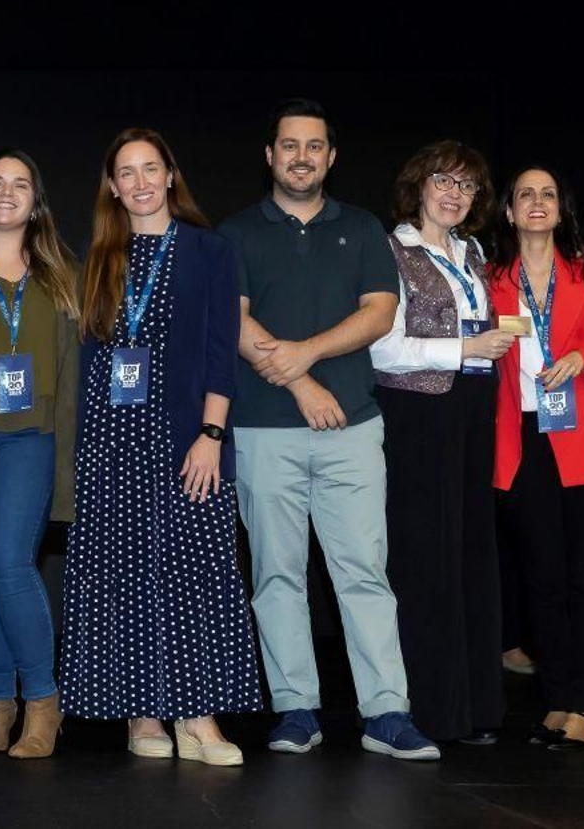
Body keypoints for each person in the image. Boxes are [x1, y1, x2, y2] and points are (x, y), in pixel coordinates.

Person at [217, 98, 438, 760]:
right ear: (270, 155)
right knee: (276, 576)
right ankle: (296, 710)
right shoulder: (236, 232)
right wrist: (301, 383)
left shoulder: (363, 227)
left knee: (364, 573)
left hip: (352, 430)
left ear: (331, 157)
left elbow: (379, 313)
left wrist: (306, 354)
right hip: (263, 430)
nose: (301, 157)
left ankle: (386, 712)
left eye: (314, 146)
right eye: (289, 145)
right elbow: (233, 322)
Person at [60, 129, 261, 766]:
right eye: (127, 172)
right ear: (112, 186)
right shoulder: (100, 254)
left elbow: (221, 352)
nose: (141, 182)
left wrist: (211, 435)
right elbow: (93, 359)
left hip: (187, 438)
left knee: (195, 574)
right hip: (112, 442)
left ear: (171, 175)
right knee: (124, 575)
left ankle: (199, 719)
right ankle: (141, 714)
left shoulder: (210, 250)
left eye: (151, 168)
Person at [369, 142, 511, 744]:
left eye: (467, 186)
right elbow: (382, 348)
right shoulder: (392, 251)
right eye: (443, 181)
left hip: (472, 413)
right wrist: (464, 349)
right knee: (427, 559)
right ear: (418, 185)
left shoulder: (473, 253)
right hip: (418, 416)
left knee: (471, 554)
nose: (455, 194)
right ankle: (429, 708)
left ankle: (473, 705)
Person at [486, 166, 584, 750]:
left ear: (561, 210)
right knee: (541, 580)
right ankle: (557, 700)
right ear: (510, 211)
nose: (537, 202)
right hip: (522, 442)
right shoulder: (490, 278)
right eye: (526, 194)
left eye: (548, 194)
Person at [0, 149, 81, 759]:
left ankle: (42, 700)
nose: (7, 193)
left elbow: (81, 372)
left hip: (30, 437)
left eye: (21, 185)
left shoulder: (64, 275)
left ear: (36, 203)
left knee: (9, 563)